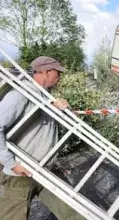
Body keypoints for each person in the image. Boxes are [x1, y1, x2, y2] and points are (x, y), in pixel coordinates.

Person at [0, 56, 86, 220]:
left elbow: (47, 129)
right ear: (46, 72)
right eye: (57, 73)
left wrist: (64, 112)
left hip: (47, 170)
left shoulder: (45, 97)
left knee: (76, 213)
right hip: (21, 174)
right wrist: (11, 164)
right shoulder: (21, 94)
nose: (59, 76)